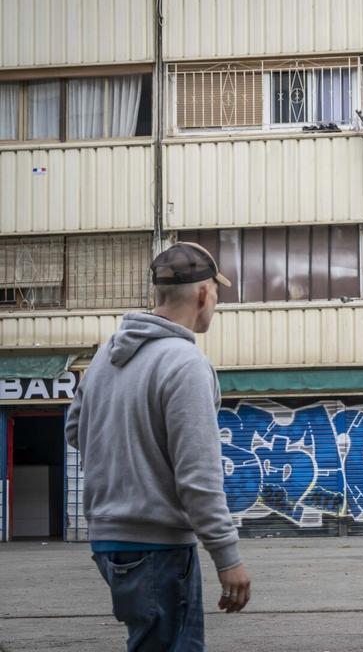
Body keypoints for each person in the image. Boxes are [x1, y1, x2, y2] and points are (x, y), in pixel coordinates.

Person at [66, 242, 251, 650]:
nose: (216, 302)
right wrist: (227, 557)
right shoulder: (184, 362)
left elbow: (76, 431)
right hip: (159, 548)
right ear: (204, 294)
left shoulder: (105, 355)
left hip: (108, 543)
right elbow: (198, 474)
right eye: (216, 293)